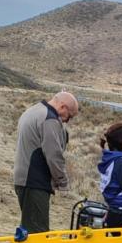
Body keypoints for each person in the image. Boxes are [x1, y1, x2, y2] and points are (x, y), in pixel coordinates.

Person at [13, 91, 79, 233]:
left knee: (28, 230)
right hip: (34, 182)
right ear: (63, 107)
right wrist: (62, 182)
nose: (67, 121)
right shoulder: (50, 119)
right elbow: (54, 155)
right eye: (70, 116)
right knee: (37, 233)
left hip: (23, 179)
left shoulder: (33, 110)